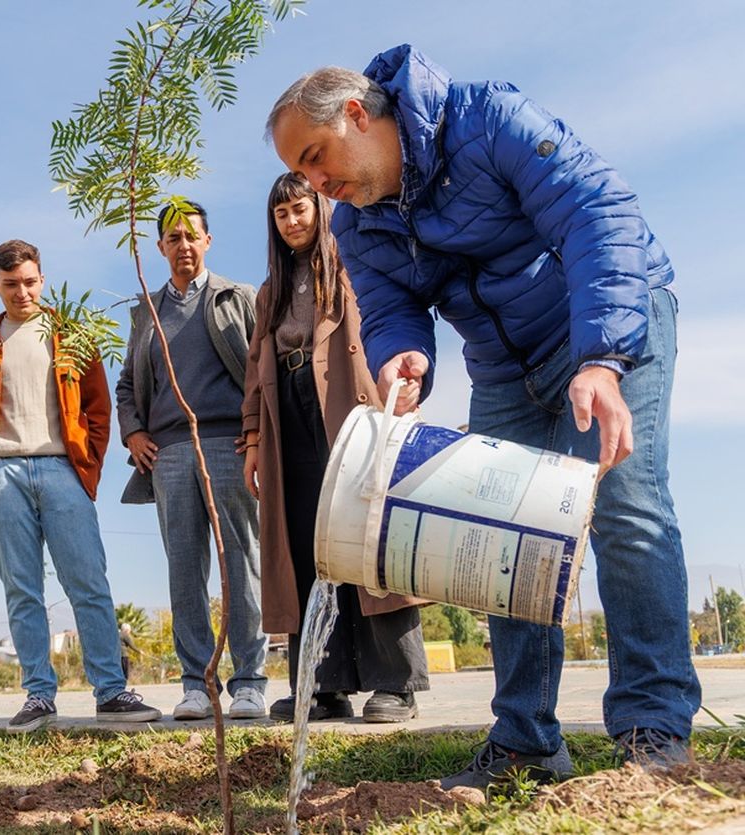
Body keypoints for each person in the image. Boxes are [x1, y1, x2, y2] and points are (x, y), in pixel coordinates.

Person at [267, 45, 700, 786]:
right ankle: (526, 740)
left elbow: (597, 210)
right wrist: (406, 354)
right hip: (505, 365)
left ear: (356, 114)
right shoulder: (356, 223)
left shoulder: (486, 119)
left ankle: (652, 731)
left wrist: (602, 357)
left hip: (604, 324)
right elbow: (393, 304)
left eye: (315, 157)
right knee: (502, 546)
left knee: (625, 508)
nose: (315, 183)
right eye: (301, 173)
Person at [0, 239, 162, 733]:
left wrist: (88, 466)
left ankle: (110, 690)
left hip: (63, 470)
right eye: (10, 284)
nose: (21, 292)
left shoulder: (69, 334)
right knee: (22, 589)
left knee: (88, 582)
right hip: (3, 475)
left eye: (29, 281)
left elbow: (99, 409)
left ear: (42, 279)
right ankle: (39, 695)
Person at [242, 172, 429, 724]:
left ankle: (396, 682)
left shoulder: (351, 267)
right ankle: (322, 685)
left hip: (350, 407)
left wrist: (400, 386)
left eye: (300, 209)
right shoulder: (269, 293)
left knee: (366, 538)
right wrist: (253, 440)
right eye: (282, 215)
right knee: (306, 542)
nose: (293, 221)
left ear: (319, 210)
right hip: (289, 418)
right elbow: (257, 370)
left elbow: (393, 322)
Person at [115, 201, 269, 721]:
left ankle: (249, 681)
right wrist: (134, 431)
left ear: (207, 242)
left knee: (240, 563)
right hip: (171, 453)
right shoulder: (147, 311)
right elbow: (127, 385)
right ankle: (197, 684)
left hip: (229, 445)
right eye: (173, 238)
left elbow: (260, 372)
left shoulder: (238, 298)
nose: (183, 245)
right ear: (159, 248)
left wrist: (255, 439)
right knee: (184, 570)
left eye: (191, 236)